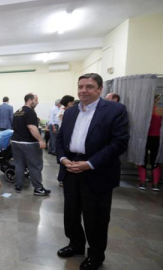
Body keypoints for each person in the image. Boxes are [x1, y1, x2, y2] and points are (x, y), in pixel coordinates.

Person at [56, 73, 129, 270]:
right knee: (71, 213)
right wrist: (63, 159)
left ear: (99, 89)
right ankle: (76, 244)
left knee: (96, 217)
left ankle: (96, 255)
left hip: (98, 171)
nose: (83, 90)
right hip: (71, 167)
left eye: (89, 86)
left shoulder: (115, 110)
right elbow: (61, 139)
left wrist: (89, 164)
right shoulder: (71, 112)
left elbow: (119, 143)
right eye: (80, 86)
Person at [11, 93, 50, 196]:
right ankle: (38, 189)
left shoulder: (17, 111)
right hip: (29, 143)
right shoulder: (30, 112)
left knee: (19, 164)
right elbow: (32, 128)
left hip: (15, 142)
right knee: (35, 165)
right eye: (36, 100)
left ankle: (18, 185)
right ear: (30, 100)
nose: (37, 102)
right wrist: (41, 140)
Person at [137, 94, 162, 191]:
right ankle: (155, 184)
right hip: (156, 138)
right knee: (154, 160)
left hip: (144, 138)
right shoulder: (159, 111)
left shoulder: (143, 111)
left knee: (142, 159)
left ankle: (142, 182)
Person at [56, 95, 75, 187]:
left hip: (65, 136)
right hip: (64, 136)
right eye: (72, 102)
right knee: (65, 160)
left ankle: (62, 178)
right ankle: (62, 179)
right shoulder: (64, 111)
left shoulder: (65, 110)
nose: (73, 104)